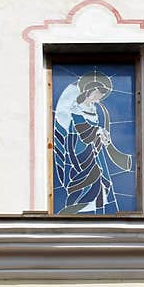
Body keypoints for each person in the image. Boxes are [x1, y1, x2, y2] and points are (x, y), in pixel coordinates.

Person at [54, 78, 132, 214]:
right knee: (88, 176)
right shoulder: (77, 109)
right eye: (97, 93)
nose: (99, 96)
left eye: (101, 94)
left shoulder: (97, 110)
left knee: (100, 179)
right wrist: (97, 131)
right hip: (80, 148)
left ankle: (97, 210)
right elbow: (81, 129)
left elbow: (102, 128)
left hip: (95, 149)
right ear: (89, 92)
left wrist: (104, 137)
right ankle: (77, 207)